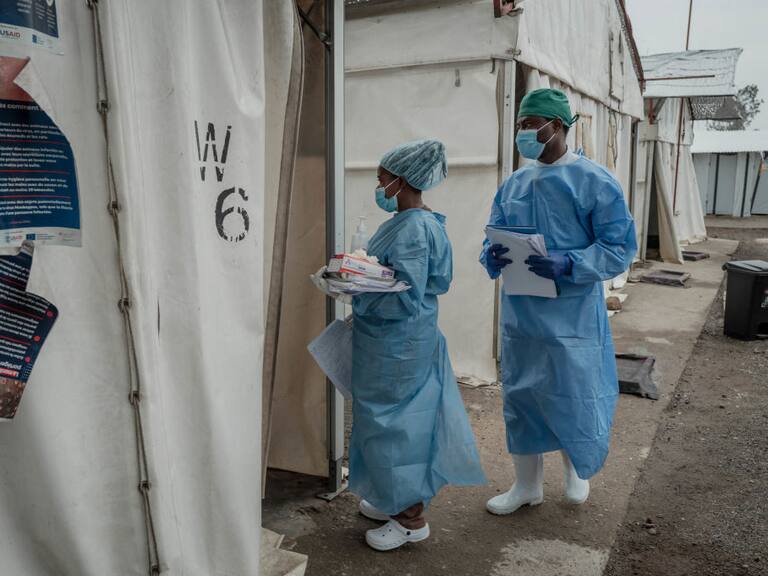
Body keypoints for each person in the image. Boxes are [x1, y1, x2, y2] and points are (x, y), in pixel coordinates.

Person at [479, 88, 637, 515]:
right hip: (522, 314)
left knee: (572, 392)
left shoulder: (594, 181)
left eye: (532, 124)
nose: (524, 132)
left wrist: (571, 263)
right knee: (522, 395)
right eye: (520, 124)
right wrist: (491, 254)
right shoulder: (514, 184)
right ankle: (526, 485)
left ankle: (576, 469)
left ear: (558, 126)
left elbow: (618, 246)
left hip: (572, 315)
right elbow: (494, 232)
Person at [349, 139, 485, 551]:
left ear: (402, 181)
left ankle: (410, 519)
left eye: (382, 180)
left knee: (399, 427)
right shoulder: (416, 222)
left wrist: (355, 289)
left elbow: (405, 296)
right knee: (383, 423)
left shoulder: (413, 229)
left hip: (399, 343)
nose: (379, 187)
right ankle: (392, 499)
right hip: (395, 341)